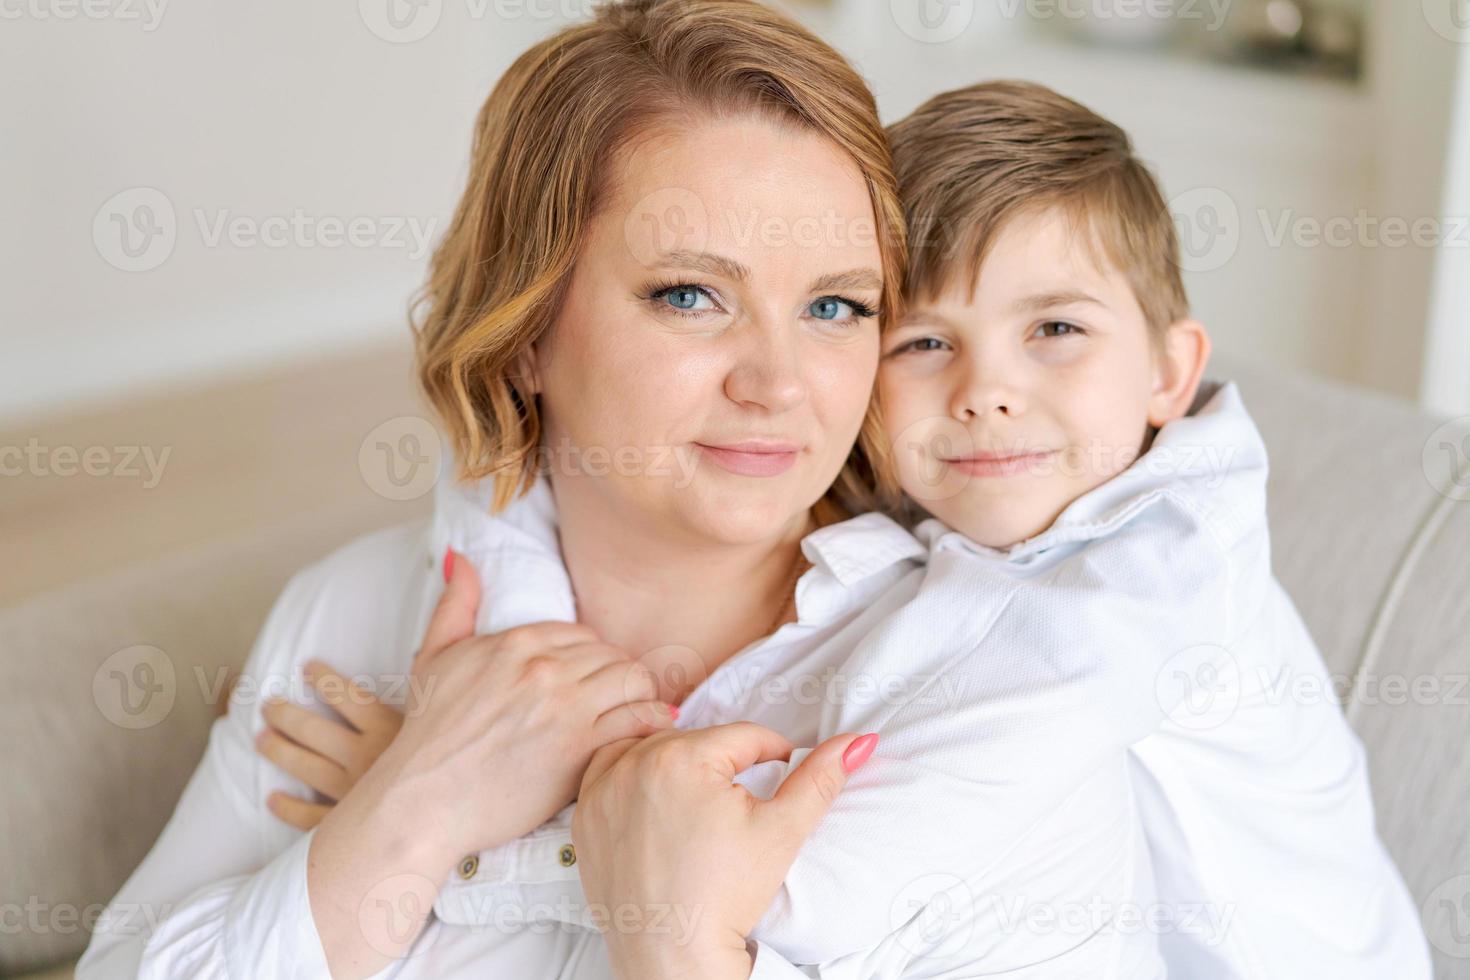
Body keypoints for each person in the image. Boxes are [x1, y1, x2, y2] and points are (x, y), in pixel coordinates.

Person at [76, 3, 1162, 978]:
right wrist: (415, 804)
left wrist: (665, 940)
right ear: (526, 333)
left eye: (835, 307)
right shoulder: (355, 616)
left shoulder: (990, 707)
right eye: (691, 294)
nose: (779, 381)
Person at [870, 80, 1430, 977]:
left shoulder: (1181, 552)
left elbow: (958, 740)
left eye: (1054, 327)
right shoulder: (957, 510)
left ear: (1170, 374)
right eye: (924, 343)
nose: (984, 391)